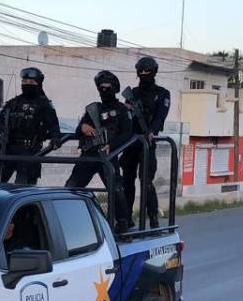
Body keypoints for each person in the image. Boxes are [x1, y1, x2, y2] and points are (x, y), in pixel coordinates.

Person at [66, 71, 132, 226]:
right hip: (89, 155)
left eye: (107, 86)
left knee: (116, 190)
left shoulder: (122, 110)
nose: (104, 90)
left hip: (108, 155)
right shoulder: (93, 109)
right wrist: (83, 127)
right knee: (71, 188)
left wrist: (112, 145)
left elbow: (127, 134)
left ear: (114, 88)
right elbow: (78, 130)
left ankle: (123, 223)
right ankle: (66, 219)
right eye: (101, 87)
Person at [120, 56, 171, 229]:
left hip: (147, 143)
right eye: (140, 71)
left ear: (154, 72)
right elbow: (126, 119)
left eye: (147, 71)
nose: (143, 74)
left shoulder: (163, 93)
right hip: (131, 143)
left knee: (146, 181)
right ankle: (126, 218)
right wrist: (127, 110)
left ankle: (153, 219)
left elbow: (160, 117)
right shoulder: (132, 94)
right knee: (127, 181)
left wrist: (151, 131)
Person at [0, 67, 60, 185]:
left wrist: (55, 138)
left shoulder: (44, 104)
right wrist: (3, 130)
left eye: (31, 82)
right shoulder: (13, 103)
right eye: (24, 81)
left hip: (30, 150)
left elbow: (53, 124)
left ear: (38, 84)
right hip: (8, 149)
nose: (27, 84)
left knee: (23, 186)